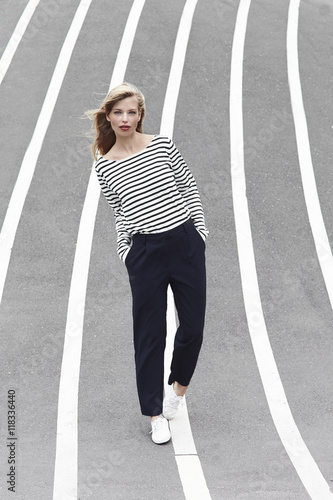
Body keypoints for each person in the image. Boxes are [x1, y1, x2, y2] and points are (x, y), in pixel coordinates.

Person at [89, 82, 208, 444]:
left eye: (131, 112)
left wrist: (199, 233)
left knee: (193, 329)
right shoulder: (104, 167)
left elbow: (188, 188)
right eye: (118, 112)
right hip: (144, 254)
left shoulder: (162, 145)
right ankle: (155, 413)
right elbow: (119, 214)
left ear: (140, 115)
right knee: (149, 337)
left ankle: (178, 391)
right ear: (108, 116)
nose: (125, 118)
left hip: (185, 243)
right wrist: (127, 254)